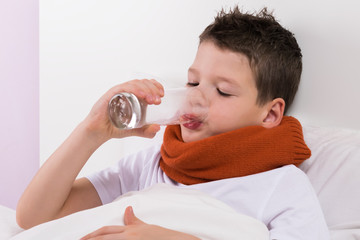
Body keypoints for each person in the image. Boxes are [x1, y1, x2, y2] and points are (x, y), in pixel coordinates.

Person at [16, 6, 329, 239]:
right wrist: (91, 131)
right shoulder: (153, 164)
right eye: (193, 83)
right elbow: (34, 217)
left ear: (271, 114)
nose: (195, 98)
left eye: (222, 91)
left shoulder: (281, 185)